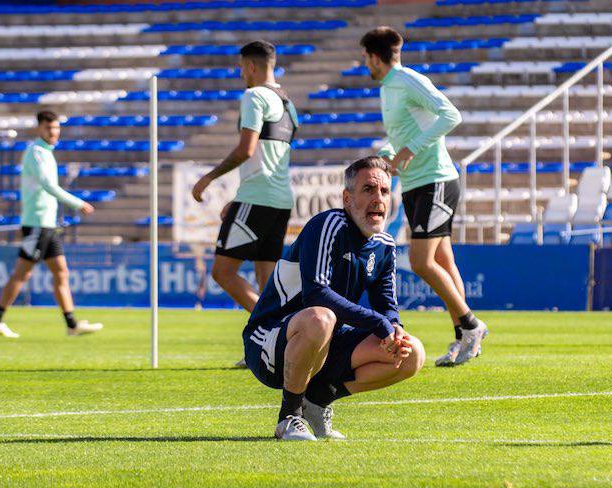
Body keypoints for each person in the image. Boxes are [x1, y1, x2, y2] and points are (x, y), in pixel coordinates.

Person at [243, 156, 425, 440]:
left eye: (385, 191)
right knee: (320, 317)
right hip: (270, 340)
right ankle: (290, 415)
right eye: (368, 190)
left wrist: (394, 327)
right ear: (347, 198)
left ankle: (317, 400)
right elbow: (317, 292)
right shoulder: (328, 225)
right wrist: (379, 323)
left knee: (411, 352)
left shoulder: (384, 244)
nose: (378, 199)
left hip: (326, 341)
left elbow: (386, 305)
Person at [360, 26, 487, 367]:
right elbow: (402, 134)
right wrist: (386, 153)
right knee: (444, 262)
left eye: (366, 60)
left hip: (437, 180)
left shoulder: (407, 81)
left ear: (374, 57)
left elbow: (450, 114)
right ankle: (464, 337)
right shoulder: (389, 88)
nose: (365, 66)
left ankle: (472, 325)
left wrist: (410, 149)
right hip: (416, 183)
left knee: (420, 261)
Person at [191, 40, 297, 367]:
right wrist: (237, 198)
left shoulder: (253, 96)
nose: (240, 74)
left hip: (258, 197)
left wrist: (208, 178)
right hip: (279, 200)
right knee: (267, 281)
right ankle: (274, 349)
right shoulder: (287, 102)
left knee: (223, 272)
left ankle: (276, 332)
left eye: (241, 67)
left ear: (251, 66)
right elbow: (268, 158)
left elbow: (246, 150)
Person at [0, 110, 102, 338]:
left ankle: (71, 325)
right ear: (39, 128)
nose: (54, 133)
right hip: (36, 223)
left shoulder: (47, 153)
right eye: (50, 128)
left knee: (61, 272)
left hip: (48, 224)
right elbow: (49, 185)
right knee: (22, 273)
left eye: (57, 129)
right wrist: (77, 203)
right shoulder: (36, 152)